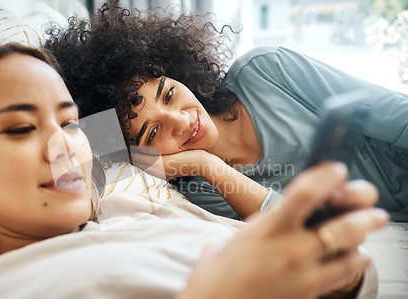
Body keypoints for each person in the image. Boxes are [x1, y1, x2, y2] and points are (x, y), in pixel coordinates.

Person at [0, 43, 388, 299]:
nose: (61, 147)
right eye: (18, 129)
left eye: (70, 122)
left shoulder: (128, 198)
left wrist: (335, 276)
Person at [44, 1, 408, 222]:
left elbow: (396, 116)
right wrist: (207, 165)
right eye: (152, 134)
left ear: (177, 72)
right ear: (138, 154)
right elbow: (302, 225)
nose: (183, 121)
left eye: (169, 94)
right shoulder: (197, 189)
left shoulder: (267, 70)